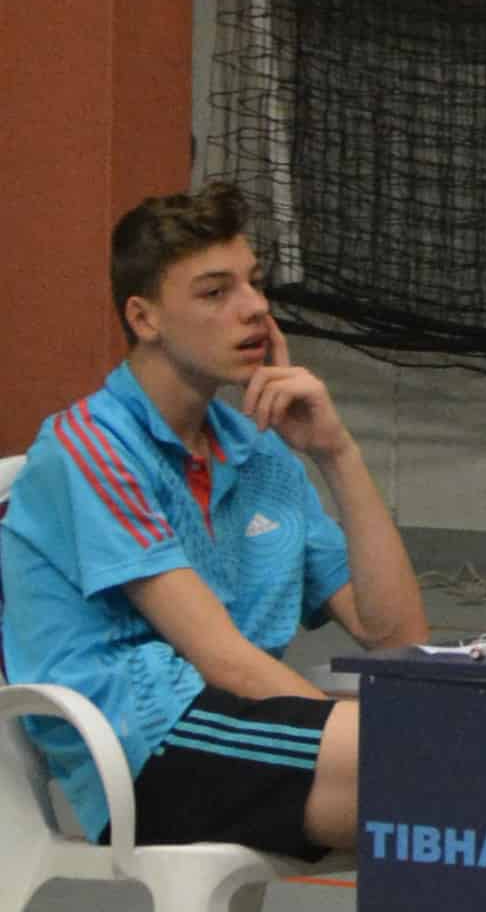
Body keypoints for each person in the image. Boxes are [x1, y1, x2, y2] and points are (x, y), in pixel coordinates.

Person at [4, 185, 429, 856]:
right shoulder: (88, 448)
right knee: (439, 759)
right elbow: (222, 658)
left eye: (254, 283)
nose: (254, 307)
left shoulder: (258, 450)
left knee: (473, 758)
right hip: (146, 748)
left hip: (244, 721)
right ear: (144, 318)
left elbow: (398, 639)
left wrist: (337, 453)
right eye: (215, 292)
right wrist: (356, 733)